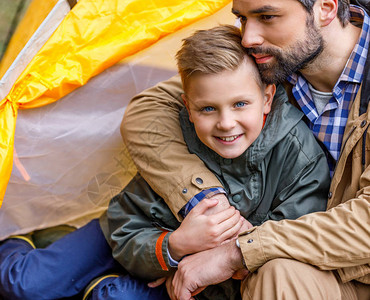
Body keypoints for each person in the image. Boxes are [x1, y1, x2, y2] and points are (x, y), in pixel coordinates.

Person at [0, 24, 330, 300]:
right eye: (208, 108)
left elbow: (283, 247)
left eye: (240, 104)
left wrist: (196, 263)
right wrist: (175, 245)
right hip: (141, 241)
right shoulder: (179, 135)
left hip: (204, 282)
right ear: (187, 105)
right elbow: (126, 221)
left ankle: (95, 279)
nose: (226, 123)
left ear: (267, 98)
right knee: (27, 284)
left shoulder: (298, 157)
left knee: (113, 296)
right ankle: (25, 239)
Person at [120, 0, 370, 299]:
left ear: (325, 9)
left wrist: (236, 250)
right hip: (307, 265)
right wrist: (208, 202)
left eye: (267, 16)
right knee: (280, 272)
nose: (248, 37)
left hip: (359, 266)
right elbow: (149, 108)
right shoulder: (275, 62)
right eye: (242, 18)